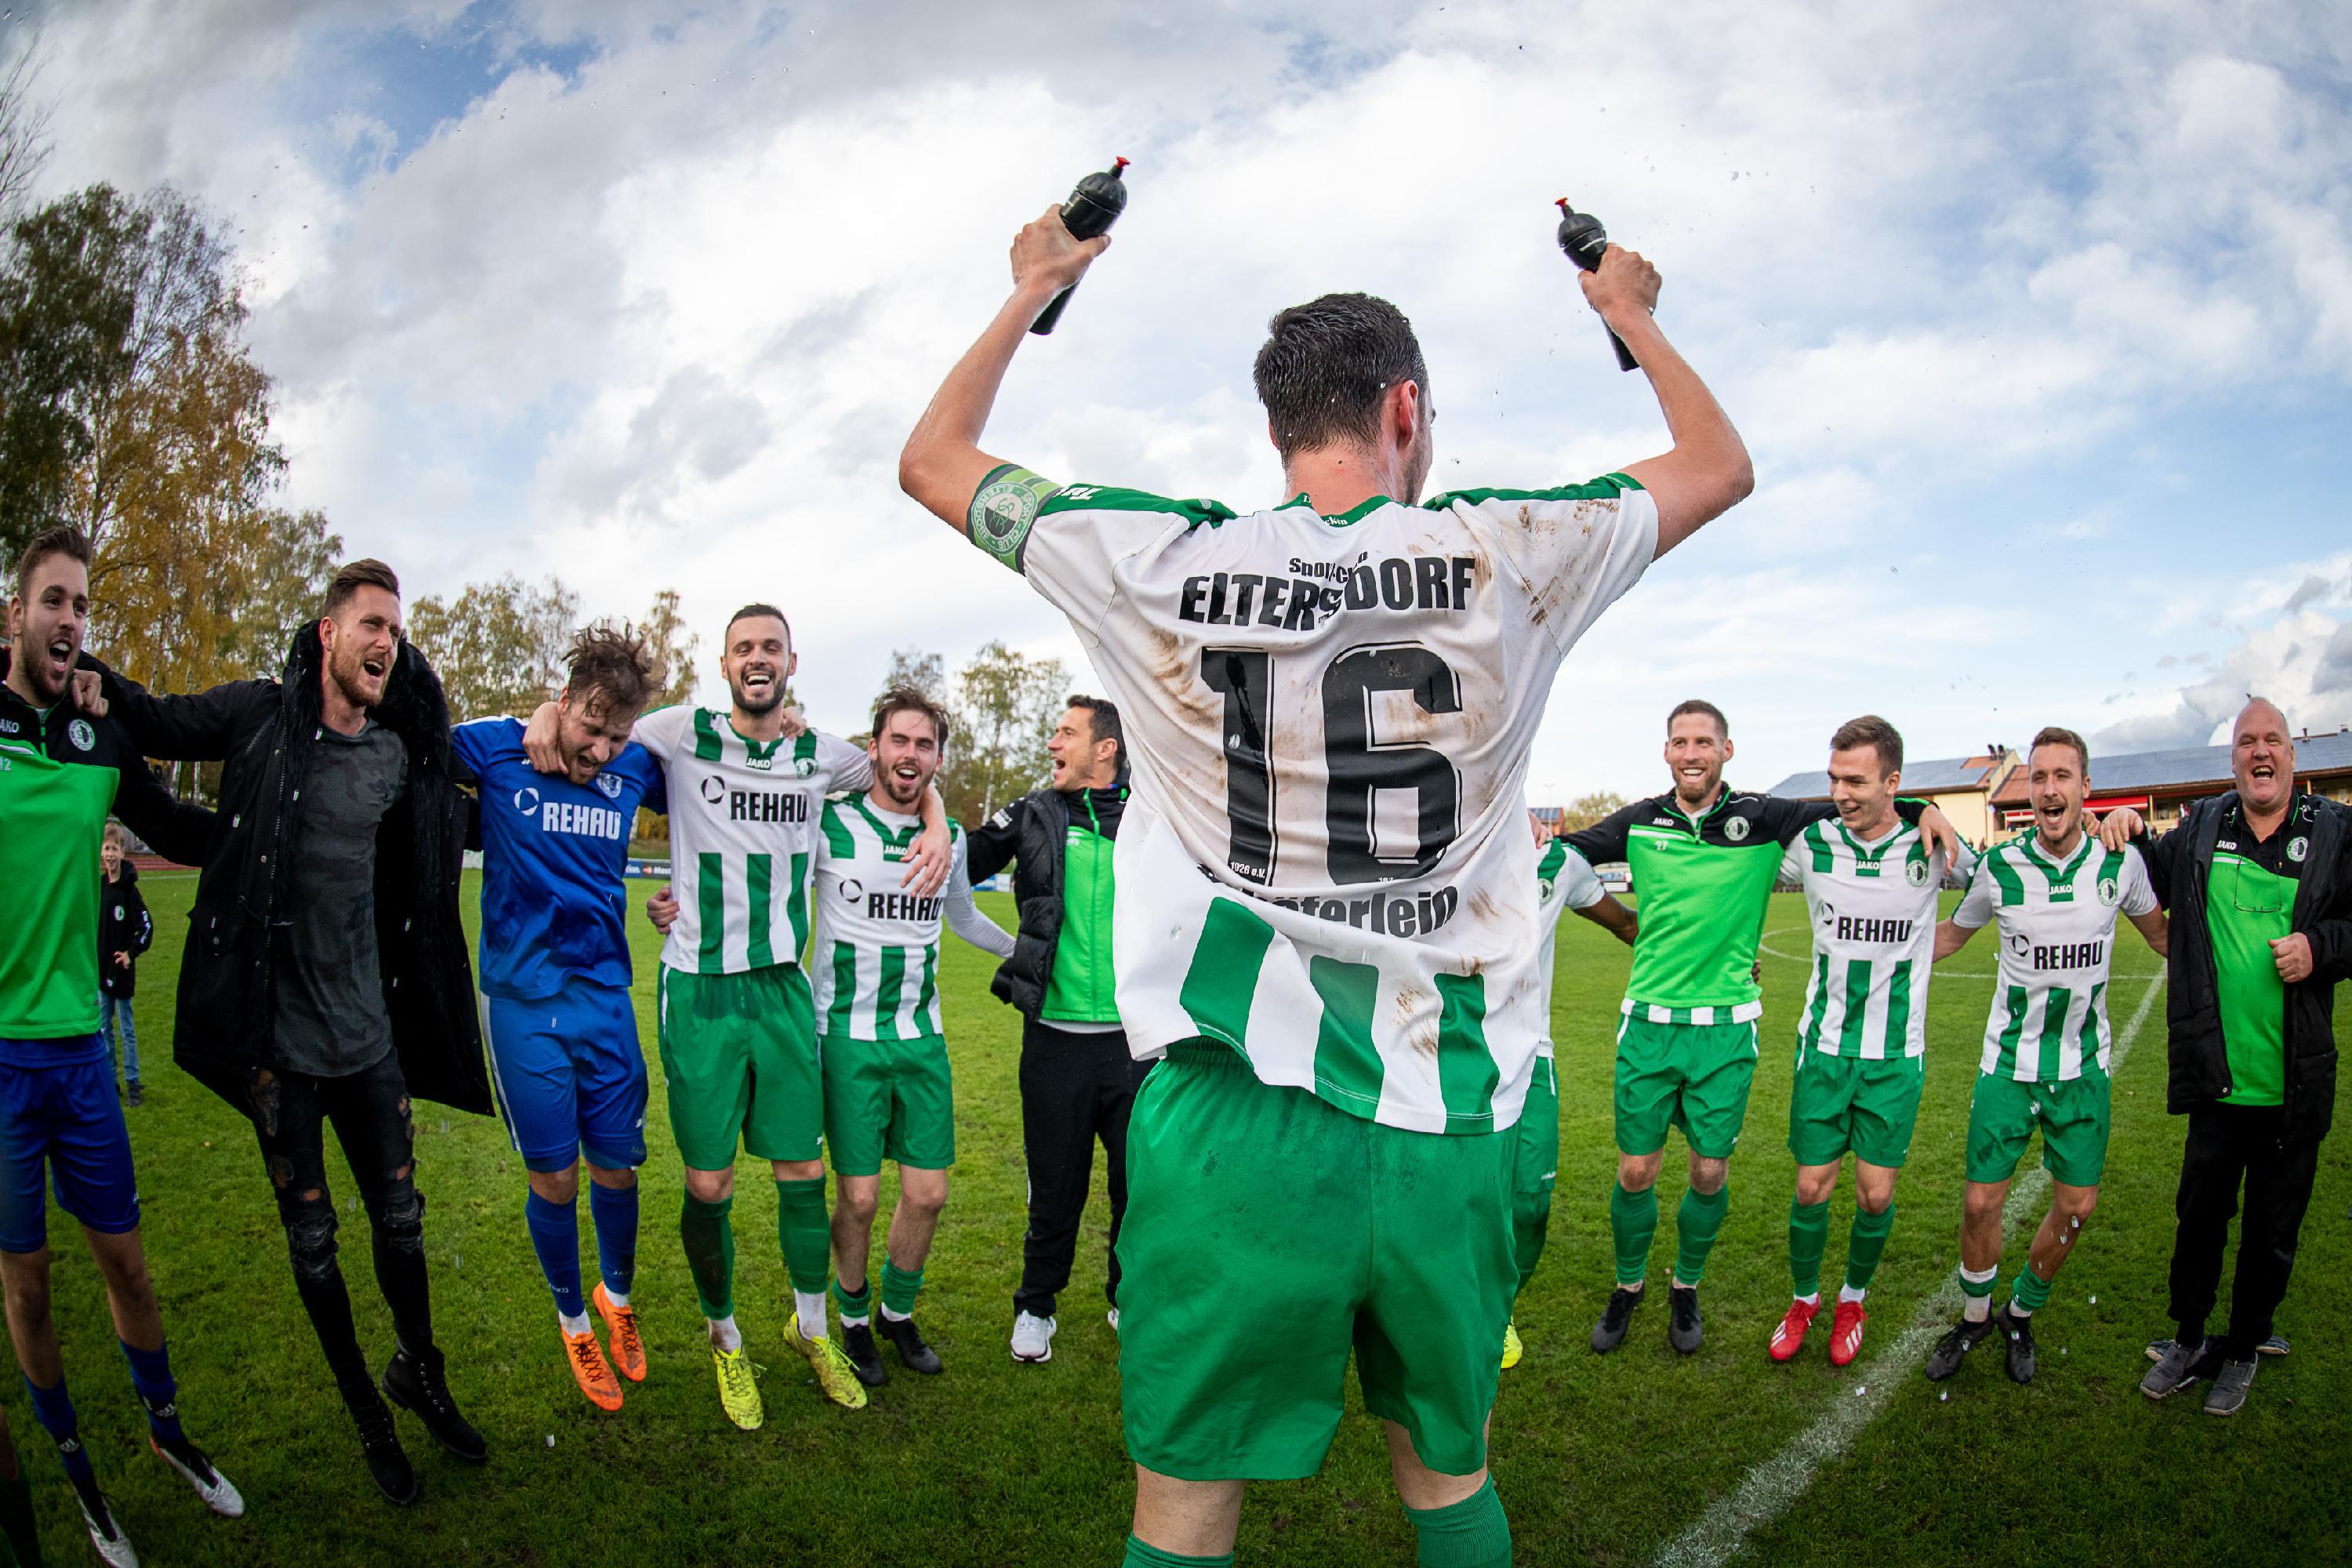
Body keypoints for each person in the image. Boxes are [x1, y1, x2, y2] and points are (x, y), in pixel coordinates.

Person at [900, 198, 1751, 1567]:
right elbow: (1717, 463)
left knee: (1183, 1513)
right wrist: (1629, 312)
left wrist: (1034, 287)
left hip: (1233, 1116)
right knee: (1448, 1481)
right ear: (1406, 409)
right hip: (1447, 1108)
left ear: (1280, 426)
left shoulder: (1165, 561)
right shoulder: (1506, 551)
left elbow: (935, 460)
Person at [89, 558, 491, 1505]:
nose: (386, 642)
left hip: (370, 1041)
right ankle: (366, 1413)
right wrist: (78, 666)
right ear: (327, 632)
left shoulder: (400, 751)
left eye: (396, 627)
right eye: (370, 624)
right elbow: (152, 718)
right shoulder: (258, 716)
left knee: (401, 1223)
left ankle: (419, 1372)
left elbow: (471, 790)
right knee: (314, 1245)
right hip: (281, 1053)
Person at [526, 604, 950, 1425]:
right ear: (724, 664)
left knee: (803, 1172)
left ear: (793, 660)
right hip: (702, 992)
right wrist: (550, 709)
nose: (758, 659)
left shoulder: (823, 755)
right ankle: (726, 1341)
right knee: (709, 1180)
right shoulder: (680, 732)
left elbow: (906, 776)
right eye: (743, 648)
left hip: (785, 993)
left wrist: (934, 823)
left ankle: (813, 1329)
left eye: (771, 648)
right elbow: (598, 722)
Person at [1564, 704, 1958, 1357]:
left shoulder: (1765, 818)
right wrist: (1620, 921)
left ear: (1727, 749)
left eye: (1705, 742)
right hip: (1648, 1024)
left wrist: (1924, 809)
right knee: (1635, 1170)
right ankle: (1628, 1286)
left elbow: (1862, 806)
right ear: (1667, 751)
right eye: (1680, 742)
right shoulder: (1638, 821)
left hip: (1727, 1029)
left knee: (1710, 1171)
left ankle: (1685, 1287)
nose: (1692, 753)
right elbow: (1566, 861)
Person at [657, 687, 1017, 1385]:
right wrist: (676, 902)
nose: (910, 756)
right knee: (856, 1197)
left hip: (922, 1036)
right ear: (874, 748)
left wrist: (1030, 950)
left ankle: (897, 1315)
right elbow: (750, 852)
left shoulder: (949, 840)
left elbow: (966, 919)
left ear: (939, 757)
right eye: (898, 742)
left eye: (924, 745)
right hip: (842, 1034)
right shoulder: (829, 820)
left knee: (930, 1194)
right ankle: (851, 1320)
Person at [2, 525, 241, 1563]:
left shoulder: (100, 730)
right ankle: (73, 1466)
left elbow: (179, 828)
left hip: (82, 1053)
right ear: (16, 613)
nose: (69, 619)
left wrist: (284, 821)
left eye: (82, 605)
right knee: (28, 1290)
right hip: (1, 1065)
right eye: (52, 600)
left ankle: (165, 1431)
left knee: (130, 1273)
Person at [451, 625, 666, 1414]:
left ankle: (616, 1297)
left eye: (616, 735)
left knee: (619, 1165)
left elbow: (732, 781)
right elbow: (404, 743)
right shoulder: (497, 749)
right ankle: (573, 1318)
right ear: (565, 698)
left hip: (606, 997)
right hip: (524, 1002)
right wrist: (532, 716)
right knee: (556, 1174)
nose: (602, 749)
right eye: (590, 726)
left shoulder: (639, 763)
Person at [1922, 726, 2166, 1386]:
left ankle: (2021, 1313)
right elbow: (1947, 940)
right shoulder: (2001, 869)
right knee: (1979, 1204)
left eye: (2063, 775)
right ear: (2029, 791)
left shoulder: (2121, 866)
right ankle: (1975, 1317)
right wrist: (1867, 942)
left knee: (2078, 1208)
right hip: (2008, 1066)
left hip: (2083, 1071)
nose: (2050, 787)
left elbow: (2169, 939)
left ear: (2086, 788)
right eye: (2040, 777)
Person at [2133, 699, 2351, 1415]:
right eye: (2247, 742)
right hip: (2216, 1078)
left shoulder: (2334, 832)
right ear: (2232, 759)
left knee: (2272, 1228)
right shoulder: (2200, 828)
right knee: (2199, 1218)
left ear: (2294, 757)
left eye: (2274, 742)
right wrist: (2125, 827)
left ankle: (2247, 1342)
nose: (2261, 753)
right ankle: (2191, 1337)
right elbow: (2143, 871)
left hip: (2293, 1080)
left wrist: (2321, 948)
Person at [1765, 717, 1968, 1368]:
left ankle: (1853, 1297)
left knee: (1875, 1194)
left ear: (1893, 782)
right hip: (1822, 1051)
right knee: (1810, 1189)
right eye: (1834, 779)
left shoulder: (1930, 848)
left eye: (1856, 780)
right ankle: (1804, 1299)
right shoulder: (1812, 843)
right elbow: (1735, 848)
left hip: (1894, 1057)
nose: (1842, 792)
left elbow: (1997, 883)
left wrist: (1931, 813)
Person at [961, 695, 1141, 1362]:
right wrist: (1013, 949)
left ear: (1106, 749)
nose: (1051, 744)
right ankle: (1037, 1307)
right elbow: (963, 860)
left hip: (1136, 1046)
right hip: (1055, 1045)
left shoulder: (1152, 817)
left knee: (1137, 1187)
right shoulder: (1035, 811)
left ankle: (1127, 1295)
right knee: (1055, 1189)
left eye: (1065, 732)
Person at [1503, 818, 1637, 1370]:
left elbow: (1628, 926)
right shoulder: (1440, 847)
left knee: (1531, 1204)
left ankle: (1497, 1309)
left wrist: (1716, 961)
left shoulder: (1558, 863)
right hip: (1441, 1056)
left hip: (1530, 1055)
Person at [96, 823, 152, 1107]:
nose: (110, 854)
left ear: (123, 851)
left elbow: (146, 927)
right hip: (101, 972)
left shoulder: (130, 892)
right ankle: (110, 1082)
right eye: (106, 849)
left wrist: (131, 953)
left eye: (114, 849)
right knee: (104, 1029)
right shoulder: (99, 887)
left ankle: (133, 1083)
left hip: (123, 973)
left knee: (126, 1030)